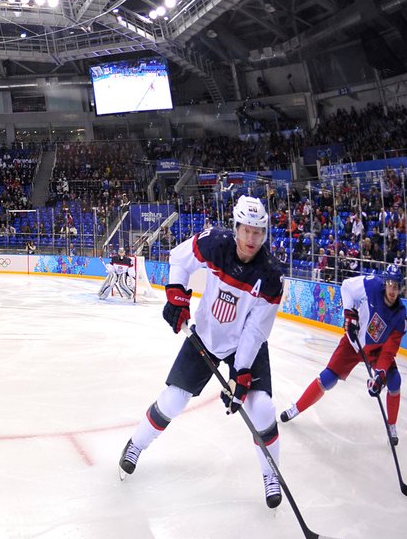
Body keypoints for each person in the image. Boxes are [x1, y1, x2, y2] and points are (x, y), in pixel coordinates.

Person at [118, 196, 287, 508]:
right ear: (236, 228)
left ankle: (270, 473)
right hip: (207, 335)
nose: (251, 239)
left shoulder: (271, 276)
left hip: (244, 346)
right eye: (246, 230)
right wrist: (177, 297)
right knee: (173, 399)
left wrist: (242, 373)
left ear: (264, 235)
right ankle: (136, 445)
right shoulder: (214, 242)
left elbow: (255, 331)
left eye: (258, 233)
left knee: (261, 407)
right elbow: (180, 258)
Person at [280, 266, 407, 445]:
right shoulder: (371, 285)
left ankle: (391, 426)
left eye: (396, 286)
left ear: (401, 288)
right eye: (390, 284)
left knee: (394, 381)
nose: (392, 290)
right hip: (352, 342)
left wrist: (379, 375)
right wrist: (348, 312)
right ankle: (296, 408)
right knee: (327, 378)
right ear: (385, 283)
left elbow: (389, 351)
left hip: (376, 350)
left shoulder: (400, 316)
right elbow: (346, 286)